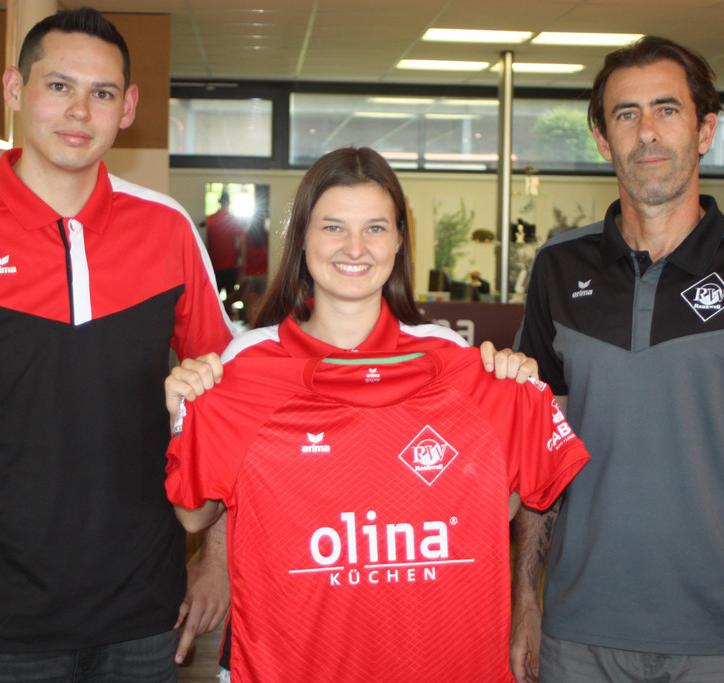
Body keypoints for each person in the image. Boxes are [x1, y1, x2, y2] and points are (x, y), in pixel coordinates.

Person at [0, 8, 234, 681]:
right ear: (15, 89)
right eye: (59, 85)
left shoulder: (169, 230)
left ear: (128, 107)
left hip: (145, 615)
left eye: (102, 93)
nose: (79, 112)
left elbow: (224, 407)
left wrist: (217, 559)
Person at [164, 146, 591, 682]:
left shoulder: (460, 364)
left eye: (375, 228)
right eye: (333, 227)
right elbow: (195, 515)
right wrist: (185, 416)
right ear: (302, 238)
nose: (355, 248)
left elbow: (494, 509)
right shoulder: (246, 367)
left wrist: (511, 395)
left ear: (399, 240)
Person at [510, 36, 724, 683]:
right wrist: (525, 598)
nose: (647, 132)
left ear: (705, 131)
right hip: (578, 637)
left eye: (667, 109)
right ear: (603, 139)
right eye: (626, 114)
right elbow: (541, 457)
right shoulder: (558, 268)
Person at [205, 190, 246, 302]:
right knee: (230, 299)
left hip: (213, 265)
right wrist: (243, 262)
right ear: (229, 203)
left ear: (219, 202)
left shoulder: (209, 219)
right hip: (230, 265)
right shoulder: (233, 220)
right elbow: (242, 241)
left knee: (213, 300)